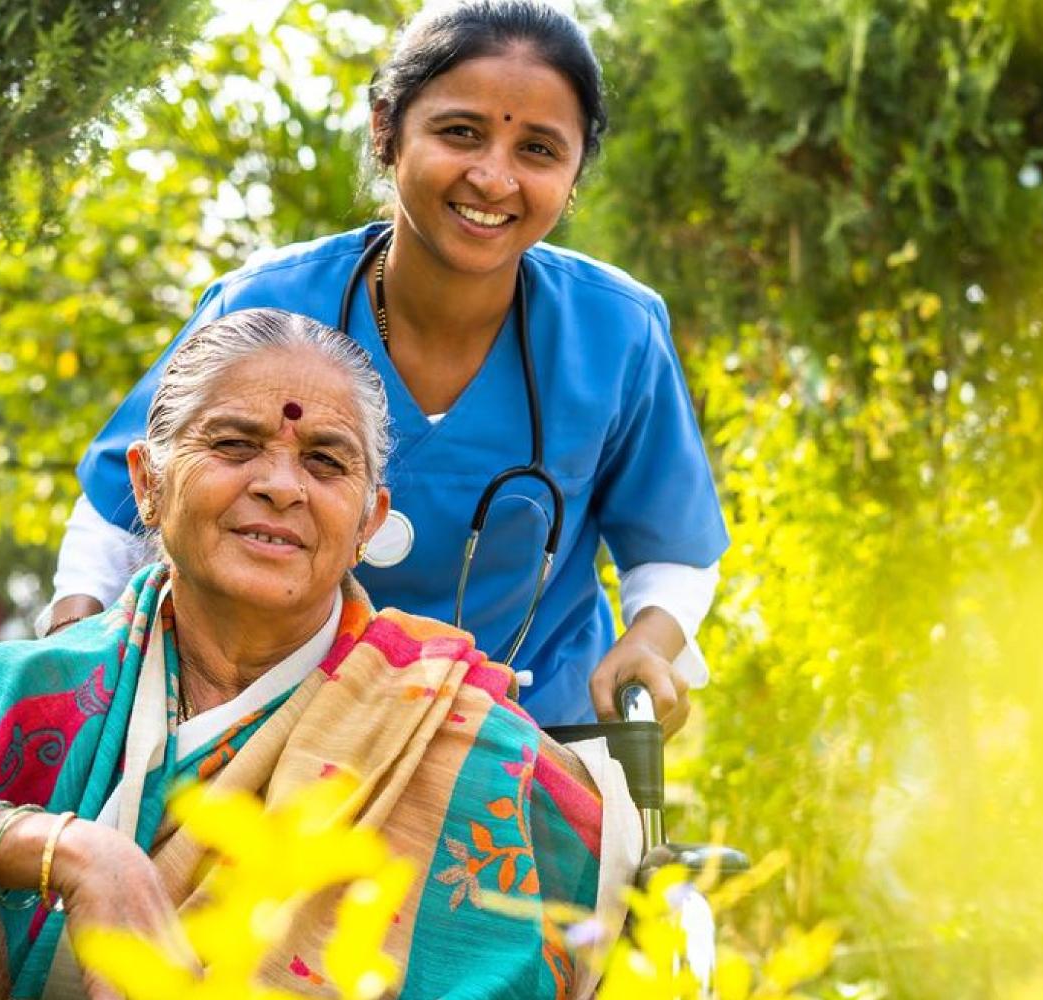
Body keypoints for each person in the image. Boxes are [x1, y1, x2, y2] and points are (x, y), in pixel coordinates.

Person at [0, 309, 638, 1000]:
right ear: (148, 486)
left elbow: (597, 910)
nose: (280, 484)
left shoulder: (458, 735)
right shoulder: (42, 693)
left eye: (325, 462)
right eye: (234, 444)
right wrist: (68, 852)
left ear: (368, 521)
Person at [47, 0, 729, 733]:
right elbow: (120, 506)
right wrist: (74, 647)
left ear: (573, 173)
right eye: (459, 132)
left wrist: (648, 643)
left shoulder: (616, 330)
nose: (494, 179)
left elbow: (674, 551)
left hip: (533, 746)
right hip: (271, 737)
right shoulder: (266, 303)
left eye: (538, 150)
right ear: (386, 130)